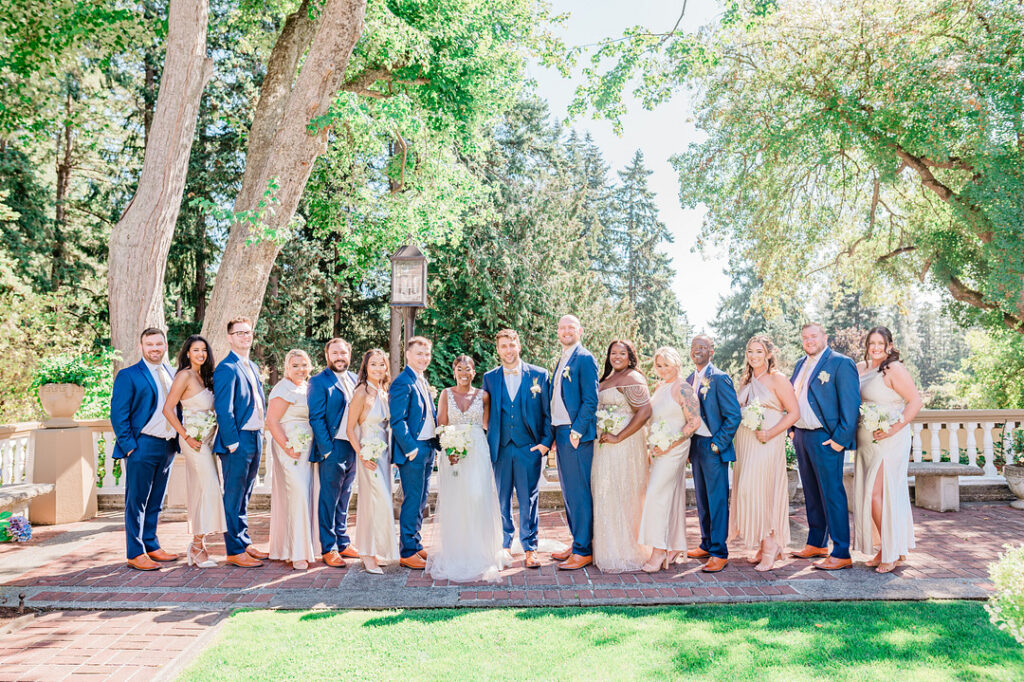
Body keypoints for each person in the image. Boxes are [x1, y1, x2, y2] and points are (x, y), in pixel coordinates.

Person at [426, 356, 505, 583]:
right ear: (454, 371)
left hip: (477, 451)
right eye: (459, 369)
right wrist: (448, 449)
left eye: (468, 369)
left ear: (474, 372)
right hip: (452, 454)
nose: (464, 373)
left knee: (477, 497)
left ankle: (480, 550)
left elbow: (487, 425)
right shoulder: (445, 394)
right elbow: (441, 425)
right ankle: (457, 550)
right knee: (456, 500)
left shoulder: (484, 396)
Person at [789, 322, 861, 570]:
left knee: (832, 494)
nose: (809, 340)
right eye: (805, 337)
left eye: (813, 336)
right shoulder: (800, 364)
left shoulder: (841, 363)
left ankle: (841, 552)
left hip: (826, 439)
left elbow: (851, 406)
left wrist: (839, 440)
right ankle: (816, 543)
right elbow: (791, 398)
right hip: (801, 436)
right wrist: (791, 430)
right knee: (811, 493)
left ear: (824, 337)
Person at [481, 329, 553, 569]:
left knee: (528, 499)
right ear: (498, 349)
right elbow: (485, 412)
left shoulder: (539, 375)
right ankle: (505, 544)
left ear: (519, 346)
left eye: (512, 345)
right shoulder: (489, 377)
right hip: (501, 448)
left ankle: (530, 548)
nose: (508, 350)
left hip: (528, 448)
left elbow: (547, 413)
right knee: (501, 499)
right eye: (503, 346)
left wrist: (544, 444)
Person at [110, 328, 180, 571]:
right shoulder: (129, 375)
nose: (154, 348)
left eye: (159, 344)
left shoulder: (172, 374)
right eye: (149, 344)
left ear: (165, 346)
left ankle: (151, 544)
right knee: (136, 501)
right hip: (142, 445)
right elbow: (118, 415)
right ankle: (135, 552)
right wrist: (130, 448)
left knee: (156, 500)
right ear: (141, 347)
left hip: (167, 445)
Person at [728, 335, 799, 572]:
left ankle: (770, 547)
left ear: (768, 354)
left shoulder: (778, 379)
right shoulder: (747, 379)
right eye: (750, 351)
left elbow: (793, 413)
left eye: (759, 351)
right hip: (747, 442)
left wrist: (770, 433)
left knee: (764, 491)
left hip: (768, 441)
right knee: (749, 491)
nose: (754, 356)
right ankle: (764, 544)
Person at [854, 327, 921, 573]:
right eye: (872, 343)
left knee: (877, 494)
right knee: (873, 494)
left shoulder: (894, 369)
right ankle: (889, 547)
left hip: (889, 438)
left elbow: (915, 401)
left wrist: (894, 428)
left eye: (880, 343)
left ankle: (890, 551)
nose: (875, 347)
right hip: (866, 438)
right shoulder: (862, 368)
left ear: (889, 345)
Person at [162, 335, 226, 568]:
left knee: (202, 491)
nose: (200, 354)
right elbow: (167, 409)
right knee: (210, 489)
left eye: (204, 350)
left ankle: (198, 547)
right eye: (195, 350)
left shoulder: (205, 377)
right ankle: (197, 546)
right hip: (193, 442)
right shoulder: (184, 375)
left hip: (208, 442)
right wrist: (186, 436)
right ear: (187, 353)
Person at [638, 346, 702, 572]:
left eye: (666, 364)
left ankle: (658, 551)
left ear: (676, 364)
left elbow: (694, 422)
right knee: (670, 496)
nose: (662, 369)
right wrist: (653, 446)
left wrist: (670, 444)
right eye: (659, 365)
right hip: (659, 449)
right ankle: (674, 546)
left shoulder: (683, 388)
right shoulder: (659, 387)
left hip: (675, 448)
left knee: (657, 496)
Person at [212, 316, 269, 568]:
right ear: (229, 337)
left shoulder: (252, 366)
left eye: (248, 332)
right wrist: (232, 442)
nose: (245, 336)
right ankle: (234, 549)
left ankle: (244, 542)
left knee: (246, 493)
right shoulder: (226, 368)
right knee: (233, 496)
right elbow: (223, 409)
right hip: (238, 441)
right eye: (239, 333)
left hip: (255, 437)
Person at [592, 340, 652, 573]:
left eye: (622, 353)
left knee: (623, 492)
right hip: (604, 446)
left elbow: (645, 411)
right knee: (605, 493)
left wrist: (620, 436)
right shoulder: (605, 380)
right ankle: (607, 548)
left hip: (624, 446)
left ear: (630, 356)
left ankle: (625, 550)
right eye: (613, 353)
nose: (617, 356)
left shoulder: (633, 378)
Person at [685, 335, 742, 573]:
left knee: (717, 500)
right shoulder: (689, 379)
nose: (697, 351)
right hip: (696, 445)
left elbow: (733, 415)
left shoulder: (720, 378)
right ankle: (706, 543)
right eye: (694, 347)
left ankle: (719, 552)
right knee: (702, 499)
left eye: (702, 347)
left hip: (713, 446)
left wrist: (718, 443)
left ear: (712, 351)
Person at [549, 315, 600, 570]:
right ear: (557, 332)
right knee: (569, 492)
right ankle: (577, 540)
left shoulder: (585, 358)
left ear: (580, 330)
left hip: (575, 435)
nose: (566, 331)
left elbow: (591, 399)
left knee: (579, 492)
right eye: (562, 327)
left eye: (571, 327)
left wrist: (577, 431)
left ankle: (584, 550)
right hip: (561, 432)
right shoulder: (563, 358)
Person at [346, 348, 400, 574]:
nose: (378, 368)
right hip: (368, 453)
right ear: (365, 368)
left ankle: (376, 550)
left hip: (384, 454)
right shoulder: (361, 393)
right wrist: (363, 454)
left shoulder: (383, 391)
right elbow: (350, 430)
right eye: (373, 364)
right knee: (373, 503)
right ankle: (367, 554)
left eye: (381, 364)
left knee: (380, 502)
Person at [307, 338, 359, 568]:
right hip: (333, 447)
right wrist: (327, 450)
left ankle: (343, 541)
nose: (340, 357)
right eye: (335, 353)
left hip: (353, 445)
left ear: (349, 354)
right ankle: (329, 547)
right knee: (329, 498)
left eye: (343, 353)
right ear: (327, 356)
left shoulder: (356, 379)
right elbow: (316, 418)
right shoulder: (318, 381)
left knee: (345, 496)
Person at [389, 336, 439, 569]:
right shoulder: (402, 382)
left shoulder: (420, 379)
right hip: (414, 450)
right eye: (419, 353)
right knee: (411, 500)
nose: (424, 358)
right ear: (408, 354)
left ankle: (416, 544)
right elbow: (397, 421)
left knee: (421, 499)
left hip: (428, 447)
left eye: (427, 354)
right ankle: (407, 551)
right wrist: (410, 449)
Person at [265, 350, 318, 569]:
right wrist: (288, 447)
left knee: (304, 495)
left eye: (304, 365)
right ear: (287, 367)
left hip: (306, 450)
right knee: (296, 494)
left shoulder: (307, 388)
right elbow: (272, 420)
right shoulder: (283, 388)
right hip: (290, 448)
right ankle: (296, 552)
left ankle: (299, 547)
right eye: (295, 365)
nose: (300, 369)